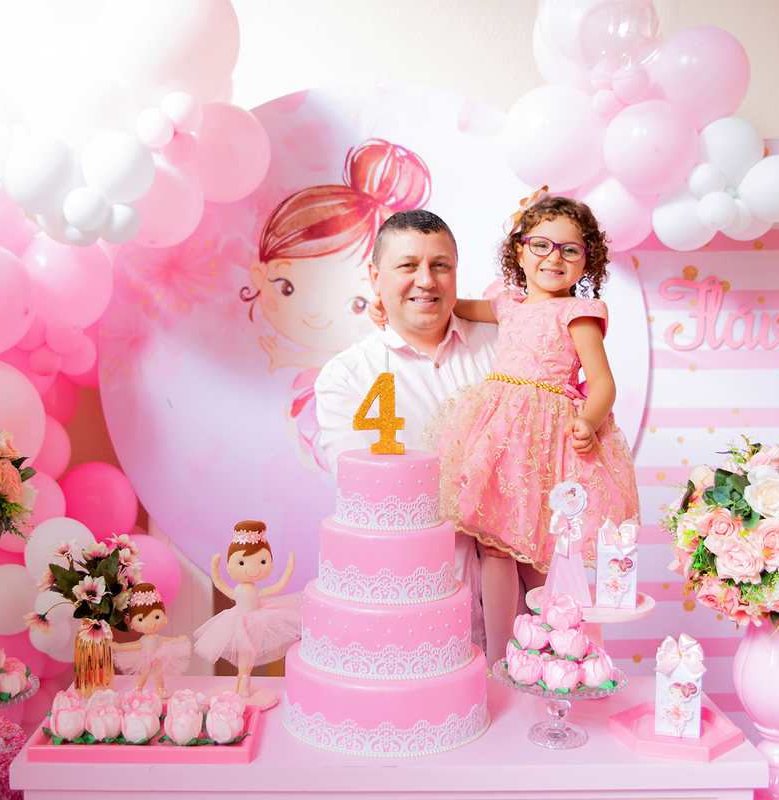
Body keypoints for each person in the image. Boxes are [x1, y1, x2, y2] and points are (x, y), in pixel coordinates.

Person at [425, 194, 641, 670]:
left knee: (545, 547)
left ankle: (554, 651)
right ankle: (501, 659)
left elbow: (603, 383)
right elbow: (452, 307)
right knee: (494, 544)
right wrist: (394, 305)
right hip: (502, 436)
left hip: (546, 441)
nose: (553, 258)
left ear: (587, 262)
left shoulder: (578, 313)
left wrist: (588, 421)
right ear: (519, 252)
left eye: (570, 250)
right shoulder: (508, 304)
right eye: (541, 245)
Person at [314, 208, 499, 651]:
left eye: (440, 265)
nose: (426, 280)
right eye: (408, 265)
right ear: (375, 277)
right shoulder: (348, 377)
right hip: (415, 606)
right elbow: (368, 495)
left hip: (522, 600)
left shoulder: (504, 346)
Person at [243, 139, 432, 471]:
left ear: (377, 283)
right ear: (259, 274)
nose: (315, 315)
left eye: (357, 302)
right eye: (287, 287)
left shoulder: (387, 358)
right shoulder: (343, 372)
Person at [193, 521, 301, 707]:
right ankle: (243, 680)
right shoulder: (237, 590)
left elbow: (278, 587)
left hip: (259, 619)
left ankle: (244, 680)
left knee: (250, 650)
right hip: (237, 621)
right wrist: (215, 567)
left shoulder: (256, 591)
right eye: (241, 563)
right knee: (244, 651)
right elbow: (219, 583)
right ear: (231, 565)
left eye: (262, 562)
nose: (252, 569)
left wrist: (289, 568)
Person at [111, 583, 191, 696]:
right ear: (132, 623)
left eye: (157, 617)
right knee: (144, 673)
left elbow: (166, 640)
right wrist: (117, 646)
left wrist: (177, 640)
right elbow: (130, 646)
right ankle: (137, 688)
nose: (150, 624)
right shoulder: (143, 640)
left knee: (159, 673)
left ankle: (160, 689)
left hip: (158, 657)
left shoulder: (157, 638)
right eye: (140, 620)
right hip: (145, 659)